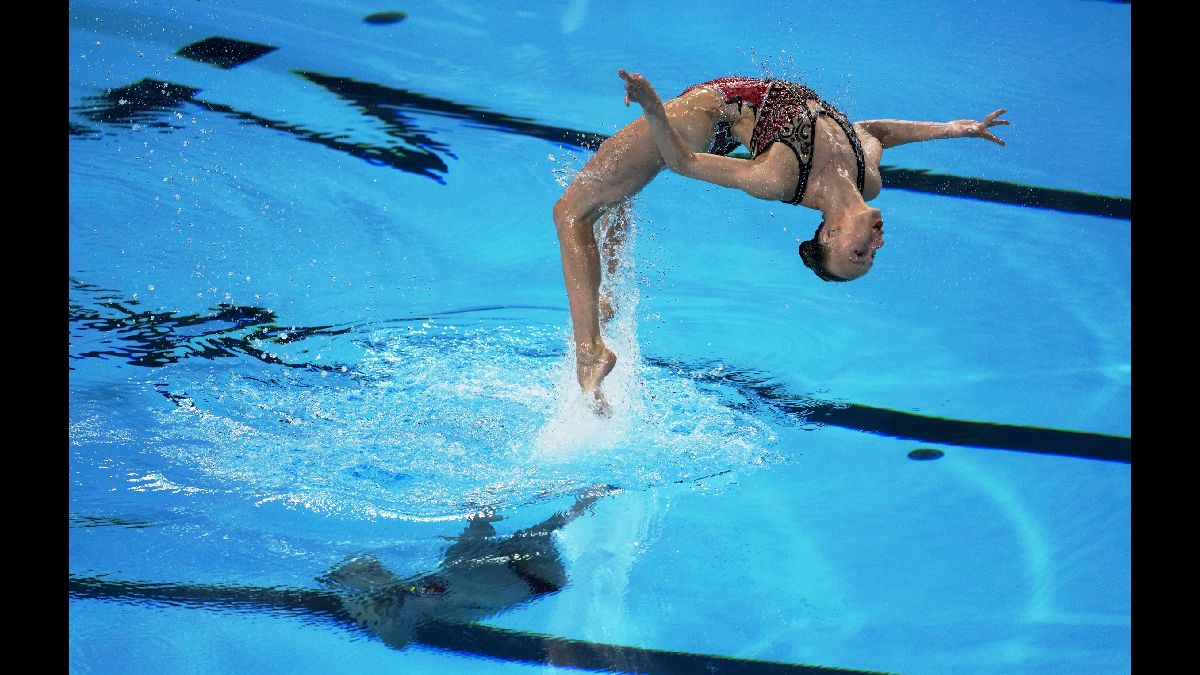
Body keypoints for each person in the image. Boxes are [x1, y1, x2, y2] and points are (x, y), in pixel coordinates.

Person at [552, 70, 1009, 414]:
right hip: (722, 105)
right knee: (613, 197)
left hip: (699, 118)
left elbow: (686, 162)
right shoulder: (866, 178)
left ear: (830, 234)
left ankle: (590, 353)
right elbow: (876, 132)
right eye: (868, 256)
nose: (876, 247)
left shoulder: (779, 177)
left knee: (571, 212)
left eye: (859, 254)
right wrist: (953, 129)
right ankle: (604, 296)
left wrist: (654, 108)